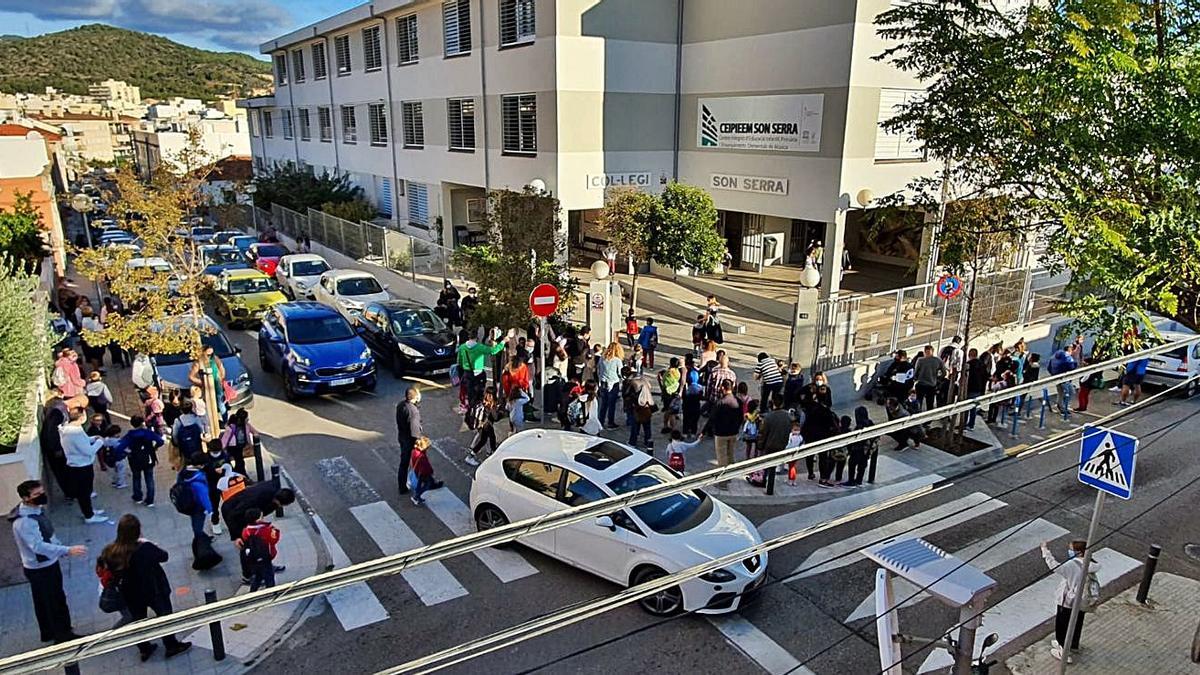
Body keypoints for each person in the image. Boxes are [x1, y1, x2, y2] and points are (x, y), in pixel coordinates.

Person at [100, 515, 192, 661]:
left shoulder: (110, 551)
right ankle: (171, 645)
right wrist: (149, 543)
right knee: (164, 617)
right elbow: (164, 556)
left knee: (138, 622)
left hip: (131, 594)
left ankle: (144, 649)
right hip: (154, 589)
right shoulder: (144, 548)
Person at [9, 480, 87, 644]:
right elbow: (38, 546)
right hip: (41, 568)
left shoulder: (35, 511)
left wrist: (59, 549)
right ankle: (63, 635)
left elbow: (49, 535)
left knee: (45, 602)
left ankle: (49, 632)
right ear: (26, 498)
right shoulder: (25, 521)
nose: (42, 496)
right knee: (54, 602)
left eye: (42, 492)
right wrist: (67, 550)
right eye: (37, 494)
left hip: (44, 565)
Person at [222, 479, 294, 582]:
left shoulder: (273, 492)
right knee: (246, 545)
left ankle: (264, 567)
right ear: (278, 500)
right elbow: (233, 515)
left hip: (249, 514)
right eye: (280, 505)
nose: (280, 507)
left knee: (260, 541)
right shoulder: (256, 498)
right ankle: (247, 575)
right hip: (234, 513)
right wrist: (236, 536)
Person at [1041, 539, 1099, 662]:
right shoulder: (1091, 563)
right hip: (1082, 601)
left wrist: (1045, 551)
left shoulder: (1073, 565)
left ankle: (1063, 651)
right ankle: (1073, 645)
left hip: (1068, 600)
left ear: (1078, 552)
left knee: (1062, 625)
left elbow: (1055, 566)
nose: (1069, 551)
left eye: (1071, 549)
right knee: (1076, 623)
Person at [60, 409, 108, 523]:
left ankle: (89, 510)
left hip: (81, 464)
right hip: (80, 466)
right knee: (84, 493)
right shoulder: (74, 433)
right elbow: (89, 451)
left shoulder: (71, 429)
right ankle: (89, 516)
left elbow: (84, 441)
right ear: (81, 417)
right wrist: (100, 442)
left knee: (86, 491)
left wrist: (93, 438)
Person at [114, 415, 164, 507]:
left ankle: (138, 497)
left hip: (135, 459)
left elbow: (119, 448)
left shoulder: (129, 436)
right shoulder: (148, 433)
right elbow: (160, 441)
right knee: (149, 479)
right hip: (148, 458)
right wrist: (154, 447)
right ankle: (150, 500)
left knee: (136, 478)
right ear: (142, 423)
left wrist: (126, 453)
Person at [704, 382, 742, 488]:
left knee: (722, 458)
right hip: (733, 432)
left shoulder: (720, 402)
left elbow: (712, 418)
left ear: (722, 388)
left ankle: (723, 482)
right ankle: (730, 476)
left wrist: (703, 431)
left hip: (721, 433)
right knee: (730, 455)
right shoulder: (738, 401)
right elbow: (740, 417)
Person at [457, 328, 507, 406]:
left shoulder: (462, 347)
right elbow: (493, 351)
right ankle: (478, 404)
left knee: (470, 391)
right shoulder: (480, 347)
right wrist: (503, 342)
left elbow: (459, 361)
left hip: (467, 372)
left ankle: (471, 406)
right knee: (479, 389)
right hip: (478, 373)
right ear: (477, 338)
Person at [240, 508, 282, 590]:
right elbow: (274, 539)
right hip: (265, 557)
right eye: (261, 517)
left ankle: (253, 590)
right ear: (257, 520)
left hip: (253, 558)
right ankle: (271, 591)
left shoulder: (246, 531)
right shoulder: (266, 530)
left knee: (257, 575)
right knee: (269, 575)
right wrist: (275, 530)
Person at [802, 398, 841, 483]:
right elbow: (834, 426)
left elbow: (806, 424)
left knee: (810, 456)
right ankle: (822, 476)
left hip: (810, 437)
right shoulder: (827, 413)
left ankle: (810, 473)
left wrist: (804, 435)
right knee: (823, 457)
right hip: (823, 438)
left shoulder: (811, 411)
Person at [394, 385, 423, 494]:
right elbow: (415, 429)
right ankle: (422, 483)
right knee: (419, 462)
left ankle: (402, 485)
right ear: (415, 397)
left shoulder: (401, 405)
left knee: (404, 463)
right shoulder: (413, 411)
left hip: (402, 436)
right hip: (410, 440)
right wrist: (419, 441)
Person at [175, 457, 212, 540]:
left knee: (194, 521)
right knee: (198, 522)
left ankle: (201, 535)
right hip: (197, 505)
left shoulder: (183, 472)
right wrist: (210, 510)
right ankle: (200, 540)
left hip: (187, 502)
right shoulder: (199, 480)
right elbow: (204, 496)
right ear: (199, 465)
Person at [189, 344, 227, 423]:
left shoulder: (215, 359)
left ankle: (225, 421)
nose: (210, 357)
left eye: (211, 354)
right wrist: (202, 382)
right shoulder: (198, 363)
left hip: (217, 387)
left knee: (221, 405)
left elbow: (222, 369)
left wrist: (221, 378)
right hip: (206, 389)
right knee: (208, 407)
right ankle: (210, 423)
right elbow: (191, 377)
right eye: (208, 355)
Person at [759, 395, 792, 485]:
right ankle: (770, 482)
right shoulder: (788, 416)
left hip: (769, 444)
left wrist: (760, 445)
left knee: (766, 464)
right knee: (774, 464)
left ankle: (764, 480)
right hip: (782, 444)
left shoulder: (769, 417)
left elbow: (763, 433)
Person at [465, 388, 502, 465]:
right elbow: (495, 418)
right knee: (486, 440)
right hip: (486, 425)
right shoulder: (490, 404)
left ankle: (490, 453)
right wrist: (494, 408)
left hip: (482, 425)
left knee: (487, 439)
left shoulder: (483, 401)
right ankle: (471, 456)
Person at [843, 406, 877, 486]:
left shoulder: (860, 425)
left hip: (859, 449)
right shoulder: (870, 422)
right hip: (867, 449)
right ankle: (859, 480)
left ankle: (851, 481)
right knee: (862, 465)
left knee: (852, 463)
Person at [220, 408, 256, 477]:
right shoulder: (232, 427)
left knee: (239, 461)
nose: (248, 419)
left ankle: (238, 473)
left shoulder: (246, 425)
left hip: (239, 447)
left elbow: (254, 431)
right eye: (246, 418)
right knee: (239, 462)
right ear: (243, 419)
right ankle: (241, 475)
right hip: (233, 447)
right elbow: (225, 439)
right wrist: (222, 448)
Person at [627, 370, 656, 451]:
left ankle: (632, 442)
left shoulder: (633, 383)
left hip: (638, 407)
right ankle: (647, 442)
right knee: (647, 426)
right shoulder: (645, 381)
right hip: (647, 406)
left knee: (635, 426)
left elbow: (628, 395)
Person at [1047, 345, 1079, 419]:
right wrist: (1075, 364)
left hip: (1056, 377)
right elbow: (1072, 367)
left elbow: (1049, 368)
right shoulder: (1068, 358)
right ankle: (1064, 407)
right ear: (1070, 351)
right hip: (1065, 378)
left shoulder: (1054, 357)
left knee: (1060, 392)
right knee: (1070, 392)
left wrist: (1053, 374)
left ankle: (1060, 405)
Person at [598, 342, 624, 429]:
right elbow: (620, 373)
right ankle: (610, 422)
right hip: (613, 383)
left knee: (603, 404)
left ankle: (600, 421)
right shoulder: (617, 360)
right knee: (611, 404)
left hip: (603, 382)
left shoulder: (602, 358)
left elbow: (599, 370)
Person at [408, 437, 441, 506]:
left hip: (417, 472)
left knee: (419, 484)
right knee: (426, 485)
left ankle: (417, 495)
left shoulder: (414, 451)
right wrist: (431, 471)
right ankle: (417, 496)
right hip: (423, 474)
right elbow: (425, 467)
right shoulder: (422, 457)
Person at [912, 345, 945, 411]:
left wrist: (915, 379)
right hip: (932, 385)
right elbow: (944, 372)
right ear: (932, 351)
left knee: (919, 401)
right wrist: (938, 379)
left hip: (921, 384)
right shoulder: (938, 360)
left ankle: (918, 414)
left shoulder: (920, 360)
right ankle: (929, 418)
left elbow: (915, 372)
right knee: (930, 403)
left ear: (925, 352)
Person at [965, 348, 988, 429]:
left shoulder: (968, 364)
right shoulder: (982, 364)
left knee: (966, 407)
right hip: (978, 388)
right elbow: (985, 377)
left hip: (969, 388)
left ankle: (964, 423)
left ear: (969, 355)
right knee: (973, 407)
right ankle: (971, 424)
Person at [681, 354, 703, 439]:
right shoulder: (696, 371)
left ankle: (685, 431)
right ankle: (693, 431)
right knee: (695, 414)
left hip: (687, 395)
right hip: (696, 395)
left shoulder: (685, 370)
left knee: (686, 414)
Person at [658, 358, 682, 435]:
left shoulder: (668, 373)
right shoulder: (678, 372)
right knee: (673, 413)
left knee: (668, 411)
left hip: (667, 394)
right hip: (675, 393)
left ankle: (666, 426)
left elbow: (664, 384)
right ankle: (673, 428)